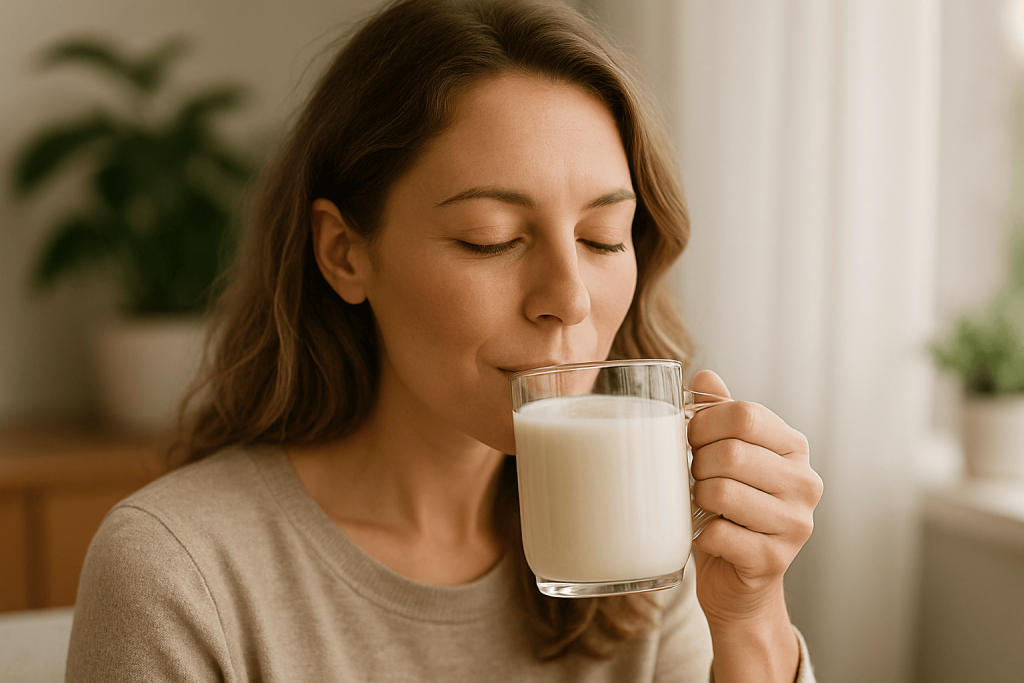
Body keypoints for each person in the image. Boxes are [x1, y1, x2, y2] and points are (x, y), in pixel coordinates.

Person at [66, 0, 824, 681]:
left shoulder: (637, 532)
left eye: (601, 237)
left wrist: (751, 619)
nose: (568, 298)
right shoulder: (180, 571)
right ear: (344, 253)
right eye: (490, 239)